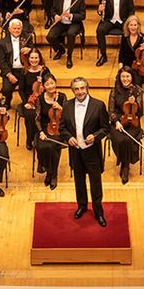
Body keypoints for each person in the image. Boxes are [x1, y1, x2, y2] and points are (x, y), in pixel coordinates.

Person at [62, 77, 111, 225]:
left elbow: (106, 128)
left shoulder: (98, 105)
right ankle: (82, 206)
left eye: (82, 88)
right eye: (76, 89)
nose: (80, 92)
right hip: (75, 151)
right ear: (72, 90)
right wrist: (69, 137)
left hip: (92, 152)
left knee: (95, 183)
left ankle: (98, 212)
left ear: (87, 88)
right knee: (79, 181)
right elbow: (62, 127)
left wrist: (95, 136)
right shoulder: (67, 105)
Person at [108, 68, 144, 184]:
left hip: (133, 122)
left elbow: (140, 112)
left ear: (132, 77)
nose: (125, 79)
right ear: (119, 77)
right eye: (123, 76)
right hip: (118, 121)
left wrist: (135, 104)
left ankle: (125, 165)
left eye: (128, 76)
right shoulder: (114, 91)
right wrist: (116, 122)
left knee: (128, 139)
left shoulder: (137, 91)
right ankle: (124, 162)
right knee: (120, 140)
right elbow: (110, 111)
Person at [33, 72, 66, 188]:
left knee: (53, 147)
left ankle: (53, 174)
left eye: (52, 83)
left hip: (59, 128)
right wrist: (41, 132)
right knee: (42, 146)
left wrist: (61, 108)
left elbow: (68, 116)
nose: (50, 86)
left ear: (55, 83)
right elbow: (37, 118)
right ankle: (48, 170)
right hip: (44, 127)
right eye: (47, 84)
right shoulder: (40, 99)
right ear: (44, 86)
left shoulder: (62, 97)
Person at [96, 0, 134, 66]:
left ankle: (126, 57)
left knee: (129, 31)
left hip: (123, 20)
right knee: (100, 30)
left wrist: (129, 21)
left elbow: (131, 10)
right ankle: (103, 55)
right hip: (110, 20)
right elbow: (101, 11)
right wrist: (99, 10)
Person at [46, 0, 85, 69]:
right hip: (61, 23)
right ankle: (60, 49)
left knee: (70, 34)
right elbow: (53, 10)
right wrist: (55, 16)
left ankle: (69, 56)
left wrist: (70, 16)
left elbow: (82, 16)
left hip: (74, 23)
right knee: (50, 37)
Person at [0, 19, 32, 105]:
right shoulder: (3, 42)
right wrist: (9, 75)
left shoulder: (27, 38)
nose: (16, 30)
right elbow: (1, 61)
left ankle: (29, 102)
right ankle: (7, 103)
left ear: (22, 28)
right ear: (9, 29)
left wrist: (30, 50)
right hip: (11, 71)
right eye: (14, 28)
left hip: (25, 70)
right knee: (6, 89)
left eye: (18, 28)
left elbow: (35, 52)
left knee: (30, 86)